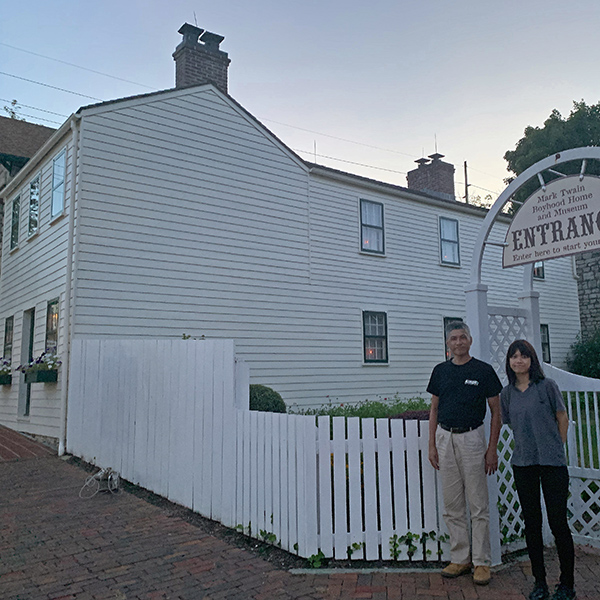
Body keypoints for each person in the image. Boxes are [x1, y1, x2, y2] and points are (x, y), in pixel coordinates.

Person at [427, 321, 502, 586]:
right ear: (448, 344)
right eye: (453, 339)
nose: (458, 342)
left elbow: (496, 412)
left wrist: (491, 449)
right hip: (445, 437)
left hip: (472, 438)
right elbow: (434, 409)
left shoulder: (483, 371)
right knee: (452, 505)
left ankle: (482, 562)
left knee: (478, 504)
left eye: (462, 338)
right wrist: (432, 445)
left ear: (470, 340)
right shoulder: (440, 371)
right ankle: (460, 558)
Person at [501, 339, 575, 600]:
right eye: (514, 356)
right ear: (509, 362)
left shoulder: (547, 387)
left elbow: (562, 418)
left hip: (552, 463)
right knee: (532, 524)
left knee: (558, 523)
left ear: (532, 360)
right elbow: (510, 422)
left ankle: (567, 584)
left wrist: (556, 445)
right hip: (524, 464)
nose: (519, 360)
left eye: (524, 356)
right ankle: (540, 583)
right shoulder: (507, 393)